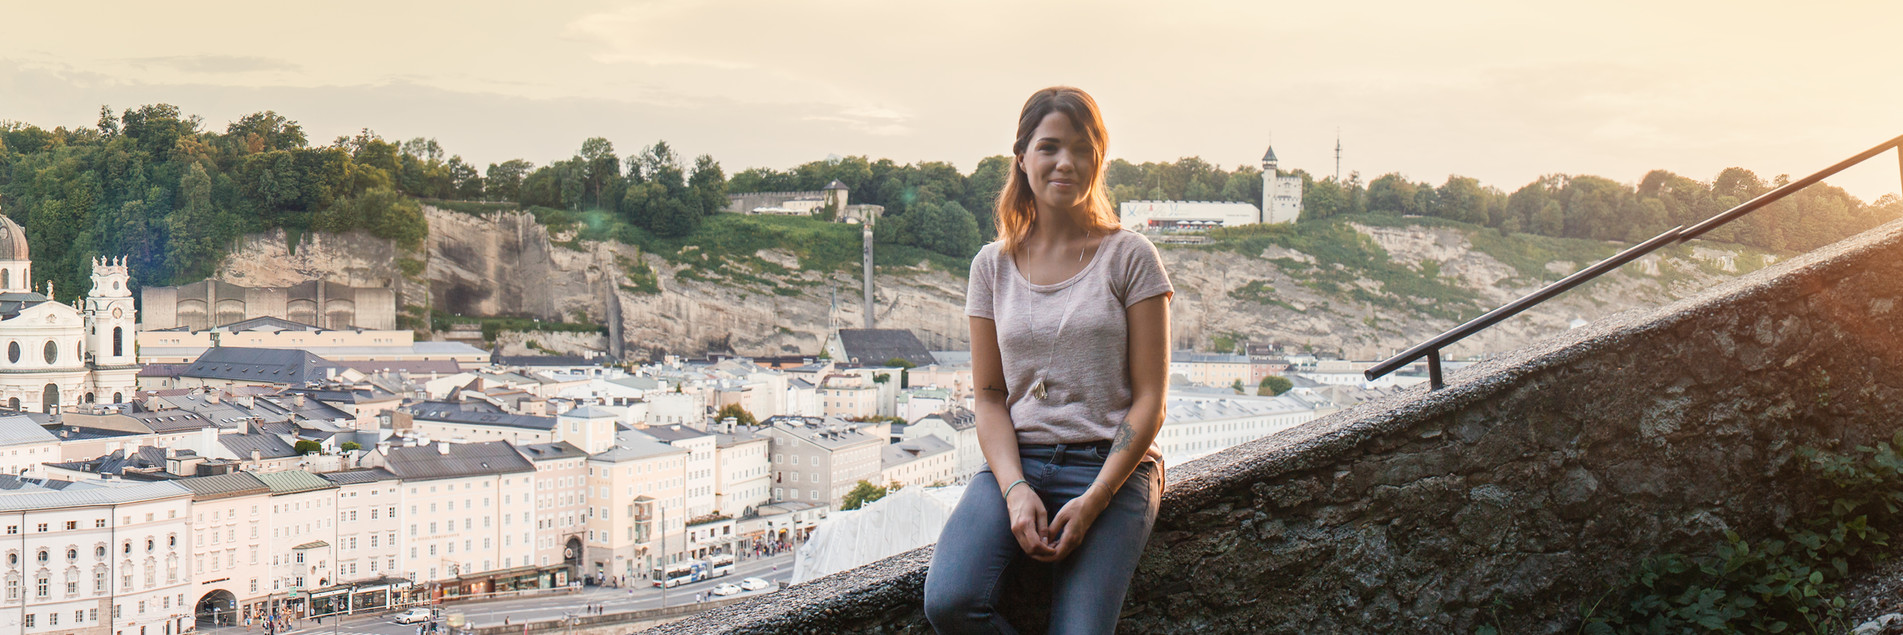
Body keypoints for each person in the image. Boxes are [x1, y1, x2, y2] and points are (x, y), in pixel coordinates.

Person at [922, 86, 1171, 634]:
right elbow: (990, 396)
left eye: (1082, 149)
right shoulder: (991, 266)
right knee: (950, 600)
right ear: (1021, 157)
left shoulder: (1130, 256)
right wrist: (1014, 490)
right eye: (1050, 147)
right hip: (1019, 459)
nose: (1066, 162)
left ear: (1099, 159)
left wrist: (1096, 498)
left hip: (1110, 465)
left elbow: (1151, 400)